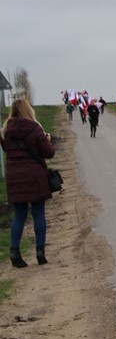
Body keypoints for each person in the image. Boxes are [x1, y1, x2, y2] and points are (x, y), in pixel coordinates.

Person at [1, 98, 57, 267]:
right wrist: (48, 139)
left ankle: (14, 252)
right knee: (39, 214)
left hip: (14, 176)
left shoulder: (5, 130)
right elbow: (49, 153)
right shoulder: (34, 128)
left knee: (19, 215)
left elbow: (7, 149)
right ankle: (40, 253)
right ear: (28, 110)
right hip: (35, 175)